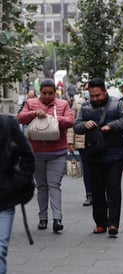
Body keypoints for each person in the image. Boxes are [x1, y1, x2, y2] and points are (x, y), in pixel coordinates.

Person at [73, 78, 123, 236]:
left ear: (104, 92)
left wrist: (111, 126)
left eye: (98, 95)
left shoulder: (117, 103)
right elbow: (76, 126)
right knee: (97, 190)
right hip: (93, 154)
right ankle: (100, 223)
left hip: (114, 153)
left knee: (113, 188)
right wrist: (85, 125)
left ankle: (113, 223)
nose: (95, 99)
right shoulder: (85, 107)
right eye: (92, 96)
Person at [17, 79, 75, 233]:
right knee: (42, 186)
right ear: (39, 92)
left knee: (54, 185)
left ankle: (57, 218)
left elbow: (70, 120)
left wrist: (55, 120)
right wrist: (34, 113)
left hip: (58, 152)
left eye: (51, 93)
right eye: (44, 93)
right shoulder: (31, 103)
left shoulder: (62, 104)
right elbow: (21, 118)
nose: (48, 96)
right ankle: (43, 218)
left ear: (55, 92)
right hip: (36, 153)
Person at [0, 114, 35, 273]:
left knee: (0, 250)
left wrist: (16, 183)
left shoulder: (6, 123)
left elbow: (27, 155)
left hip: (3, 200)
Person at [67, 83, 93, 206]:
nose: (88, 91)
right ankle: (89, 194)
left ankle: (99, 193)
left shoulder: (100, 103)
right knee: (86, 169)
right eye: (86, 89)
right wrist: (70, 141)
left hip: (97, 142)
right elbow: (72, 123)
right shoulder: (77, 103)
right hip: (82, 142)